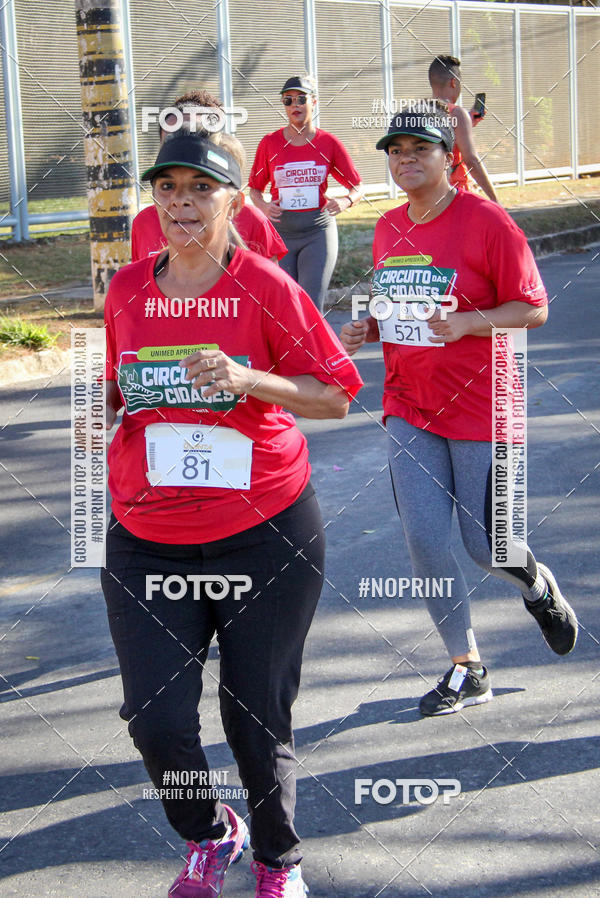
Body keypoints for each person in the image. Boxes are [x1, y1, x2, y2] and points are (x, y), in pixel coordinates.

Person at [102, 129, 363, 896]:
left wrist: (249, 379)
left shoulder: (267, 288)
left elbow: (335, 395)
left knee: (254, 717)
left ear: (235, 200)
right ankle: (212, 832)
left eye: (200, 188)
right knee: (155, 720)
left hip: (264, 534)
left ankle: (279, 861)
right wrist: (93, 412)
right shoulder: (127, 289)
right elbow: (112, 392)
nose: (181, 202)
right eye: (168, 187)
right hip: (148, 537)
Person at [339, 105, 577, 717]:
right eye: (396, 151)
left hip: (483, 404)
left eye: (420, 148)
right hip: (408, 403)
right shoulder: (388, 225)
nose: (406, 159)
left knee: (487, 546)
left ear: (449, 157)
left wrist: (470, 322)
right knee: (424, 539)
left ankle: (536, 585)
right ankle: (467, 668)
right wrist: (369, 326)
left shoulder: (487, 221)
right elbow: (397, 304)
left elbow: (533, 307)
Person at [131, 89, 288, 264]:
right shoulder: (143, 223)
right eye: (172, 141)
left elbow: (271, 278)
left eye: (195, 137)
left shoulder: (252, 219)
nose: (182, 149)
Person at [249, 74, 363, 313]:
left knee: (311, 306)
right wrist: (264, 207)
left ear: (314, 101)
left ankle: (316, 340)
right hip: (281, 234)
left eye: (301, 99)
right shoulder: (269, 143)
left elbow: (357, 187)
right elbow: (255, 190)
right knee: (285, 306)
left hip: (317, 232)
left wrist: (346, 201)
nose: (295, 105)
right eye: (288, 100)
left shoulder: (328, 143)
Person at [428, 55, 498, 203]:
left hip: (428, 196)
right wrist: (495, 201)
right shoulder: (456, 113)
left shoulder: (418, 111)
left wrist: (466, 124)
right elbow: (471, 160)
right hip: (456, 195)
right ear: (453, 82)